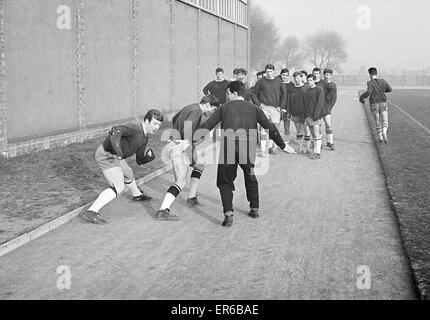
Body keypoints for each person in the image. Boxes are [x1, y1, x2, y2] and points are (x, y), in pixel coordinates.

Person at [195, 81, 295, 227]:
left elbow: (207, 126)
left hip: (229, 147)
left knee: (225, 181)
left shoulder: (224, 108)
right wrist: (283, 145)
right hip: (248, 147)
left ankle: (228, 214)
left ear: (235, 93)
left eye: (228, 93)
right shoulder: (254, 109)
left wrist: (188, 138)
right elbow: (270, 127)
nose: (227, 96)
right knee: (250, 176)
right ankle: (254, 208)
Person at [79, 110, 163, 224]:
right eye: (155, 123)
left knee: (128, 172)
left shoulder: (145, 138)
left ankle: (137, 195)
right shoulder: (136, 128)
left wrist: (148, 158)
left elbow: (139, 160)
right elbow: (116, 131)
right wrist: (118, 152)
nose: (157, 127)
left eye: (159, 125)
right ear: (147, 121)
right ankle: (91, 211)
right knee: (119, 186)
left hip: (117, 156)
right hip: (107, 154)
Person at [156, 95, 220, 220]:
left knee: (200, 165)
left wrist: (177, 133)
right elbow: (187, 129)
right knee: (180, 181)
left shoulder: (190, 107)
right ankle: (163, 210)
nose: (211, 112)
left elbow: (175, 118)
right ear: (207, 104)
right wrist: (184, 140)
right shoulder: (197, 111)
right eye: (212, 109)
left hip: (179, 144)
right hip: (180, 146)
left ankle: (191, 197)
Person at [250, 64, 287, 155]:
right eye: (267, 72)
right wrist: (259, 104)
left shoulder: (278, 81)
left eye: (270, 71)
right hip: (264, 108)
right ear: (265, 72)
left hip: (275, 109)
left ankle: (270, 147)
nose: (269, 73)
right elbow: (253, 93)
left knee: (273, 129)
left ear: (273, 71)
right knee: (263, 129)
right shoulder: (261, 81)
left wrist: (281, 107)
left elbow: (284, 95)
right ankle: (263, 149)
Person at [359, 67, 392, 143]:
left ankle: (380, 136)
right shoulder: (383, 81)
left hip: (374, 103)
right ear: (376, 73)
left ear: (370, 74)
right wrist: (383, 90)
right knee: (385, 120)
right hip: (383, 102)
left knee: (377, 121)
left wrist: (362, 97)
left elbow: (368, 92)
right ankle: (384, 132)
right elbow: (389, 89)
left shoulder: (370, 83)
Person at [304, 74, 325, 159]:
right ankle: (315, 151)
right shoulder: (307, 90)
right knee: (313, 134)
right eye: (308, 80)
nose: (309, 82)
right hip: (308, 116)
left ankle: (317, 153)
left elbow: (320, 103)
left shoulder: (319, 90)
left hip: (315, 116)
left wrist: (316, 115)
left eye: (311, 80)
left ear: (314, 80)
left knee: (316, 134)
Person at [287, 71, 307, 153]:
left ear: (301, 78)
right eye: (295, 78)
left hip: (305, 114)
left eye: (297, 78)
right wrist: (289, 112)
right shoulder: (292, 89)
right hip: (295, 113)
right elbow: (289, 101)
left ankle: (307, 147)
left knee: (306, 131)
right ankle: (300, 147)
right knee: (299, 131)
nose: (296, 80)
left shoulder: (306, 88)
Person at [323, 68, 338, 150]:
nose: (327, 76)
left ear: (331, 76)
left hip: (326, 108)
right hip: (318, 107)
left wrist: (329, 107)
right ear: (324, 75)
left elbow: (334, 98)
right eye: (326, 74)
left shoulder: (333, 85)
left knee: (328, 125)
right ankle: (318, 142)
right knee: (317, 125)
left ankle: (330, 142)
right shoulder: (321, 83)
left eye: (329, 75)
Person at [279, 68, 293, 139]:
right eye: (283, 75)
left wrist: (288, 109)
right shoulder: (278, 83)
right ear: (280, 75)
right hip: (278, 107)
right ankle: (274, 142)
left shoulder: (291, 84)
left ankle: (286, 141)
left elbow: (292, 98)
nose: (284, 77)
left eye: (286, 75)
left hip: (287, 108)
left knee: (287, 126)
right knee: (275, 125)